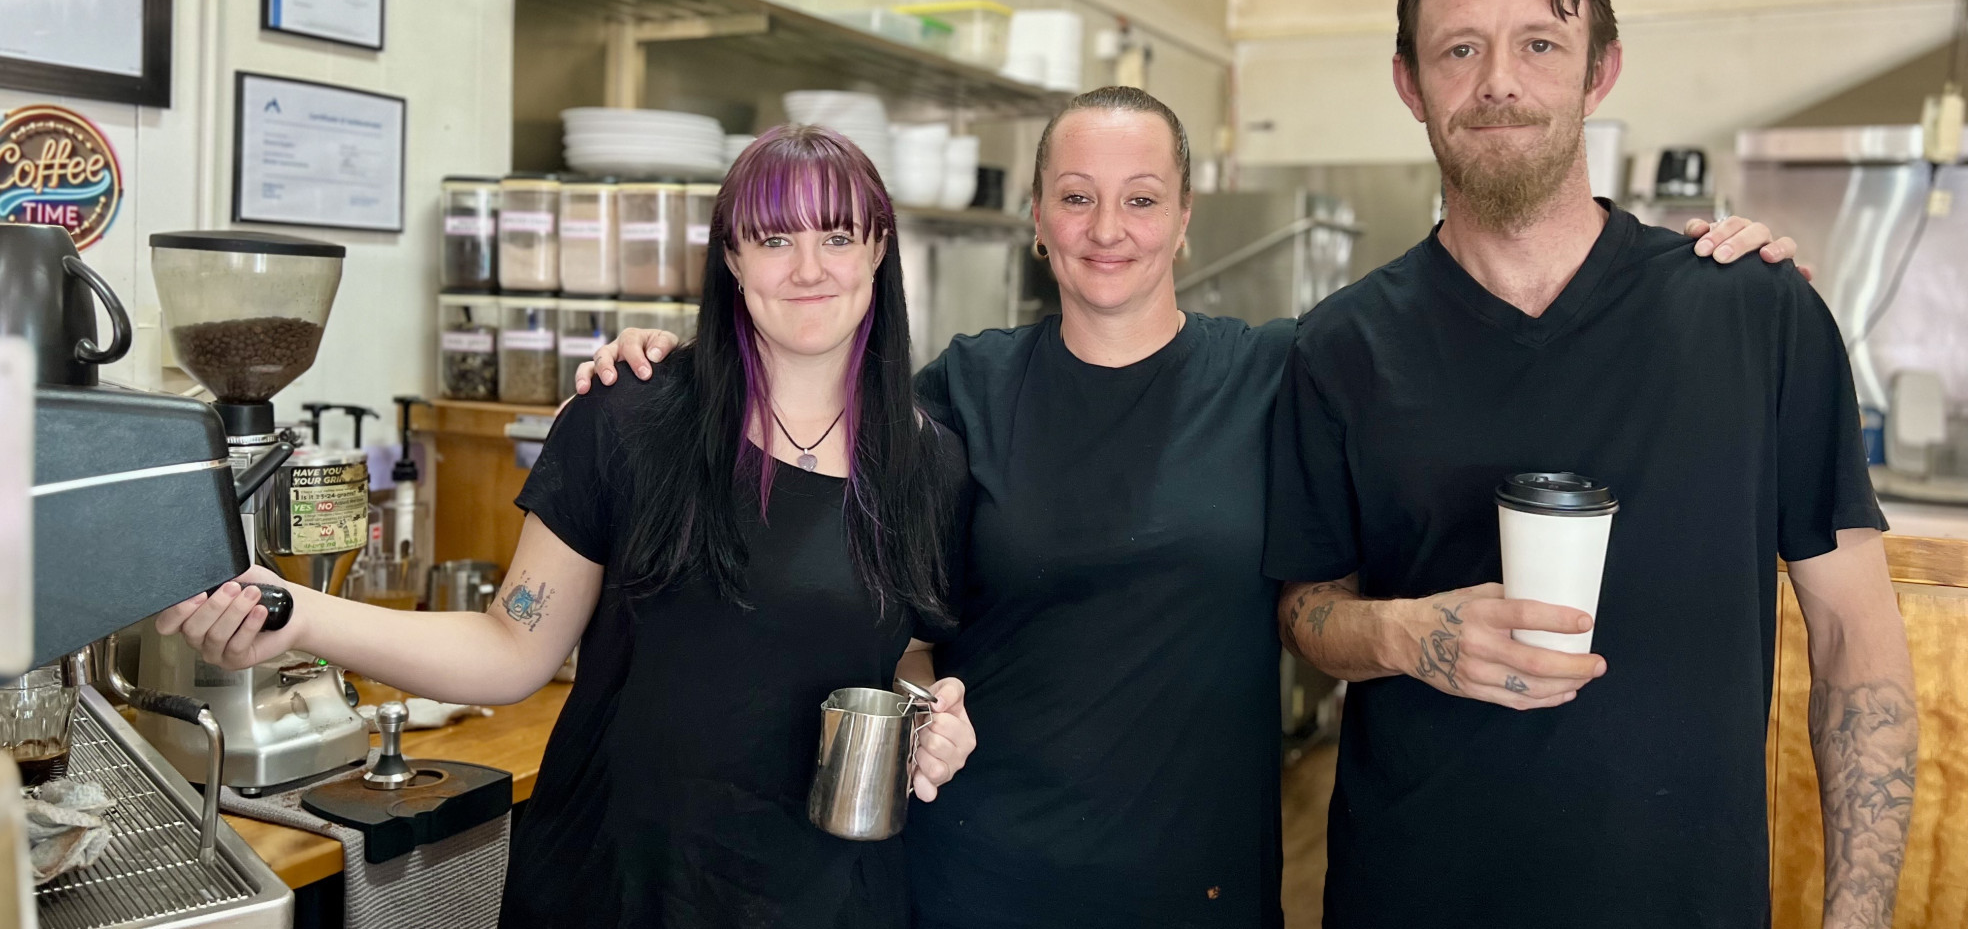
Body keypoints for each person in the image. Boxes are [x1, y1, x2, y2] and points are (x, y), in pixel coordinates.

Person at [580, 91, 1799, 927]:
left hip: (1198, 874)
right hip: (980, 866)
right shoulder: (958, 388)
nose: (1106, 231)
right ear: (1037, 219)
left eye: (1140, 199)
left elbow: (1479, 372)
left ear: (1182, 219)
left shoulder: (1281, 370)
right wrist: (667, 364)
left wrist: (1672, 275)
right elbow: (858, 576)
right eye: (1074, 198)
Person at [1269, 0, 1917, 929]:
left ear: (1598, 69)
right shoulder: (1339, 347)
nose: (1497, 83)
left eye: (1539, 43)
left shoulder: (1755, 312)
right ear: (1408, 82)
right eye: (1457, 49)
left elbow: (1855, 641)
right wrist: (1403, 635)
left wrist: (1859, 918)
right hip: (1413, 891)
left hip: (1682, 899)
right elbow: (1307, 608)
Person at [158, 125, 978, 929]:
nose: (808, 269)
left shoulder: (927, 462)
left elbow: (903, 645)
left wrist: (931, 710)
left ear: (878, 248)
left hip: (826, 892)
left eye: (837, 235)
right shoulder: (630, 416)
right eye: (773, 238)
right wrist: (297, 612)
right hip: (620, 880)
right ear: (730, 258)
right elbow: (511, 645)